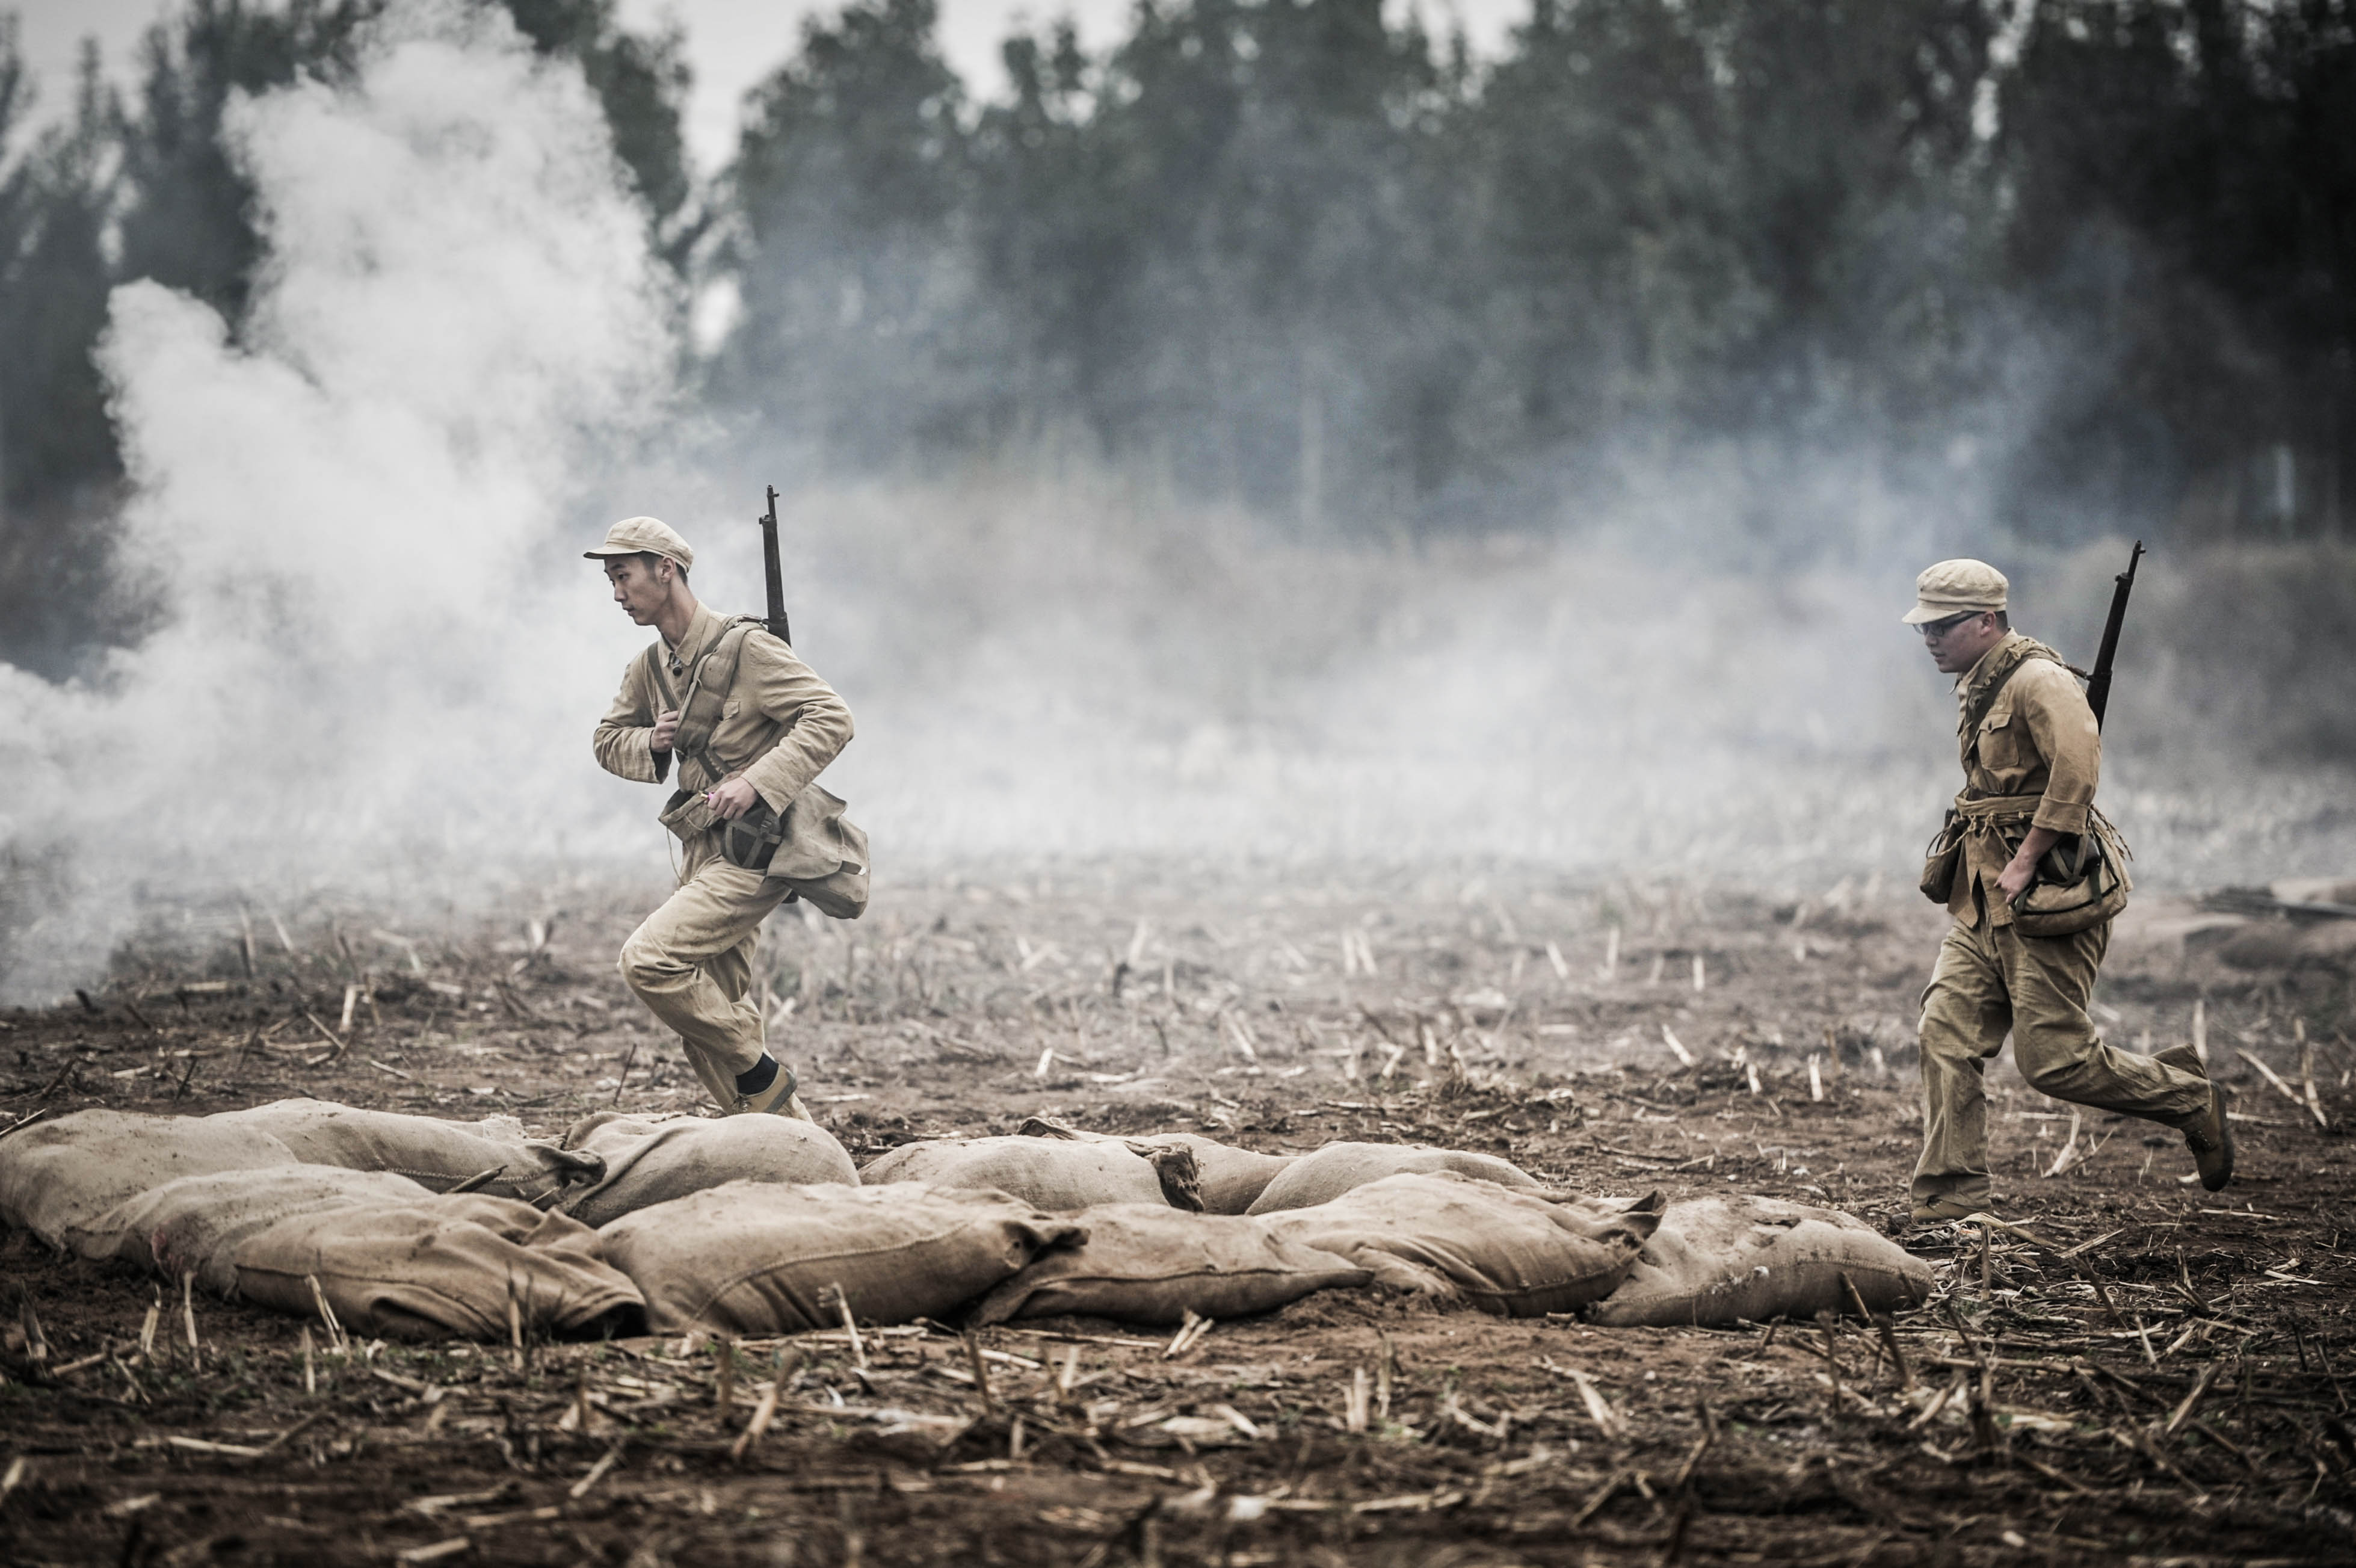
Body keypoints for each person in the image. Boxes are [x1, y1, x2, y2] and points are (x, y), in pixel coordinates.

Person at [1902, 558, 2230, 1226]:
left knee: (2055, 1063)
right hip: (1983, 896)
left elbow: (2077, 776)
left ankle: (2188, 1097)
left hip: (2046, 892)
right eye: (1924, 627)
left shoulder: (2037, 679)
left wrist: (2024, 860)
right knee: (1944, 1030)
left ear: (1986, 621)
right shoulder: (1979, 680)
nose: (1929, 639)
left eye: (1942, 626)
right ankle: (1951, 1201)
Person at [588, 516, 854, 1117]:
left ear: (667, 569)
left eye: (623, 576)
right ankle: (794, 1142)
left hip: (758, 848)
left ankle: (761, 1073)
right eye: (610, 580)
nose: (616, 594)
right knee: (709, 1014)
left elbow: (831, 717)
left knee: (649, 960)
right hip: (701, 849)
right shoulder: (650, 668)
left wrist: (757, 781)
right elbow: (607, 740)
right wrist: (653, 743)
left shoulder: (748, 649)